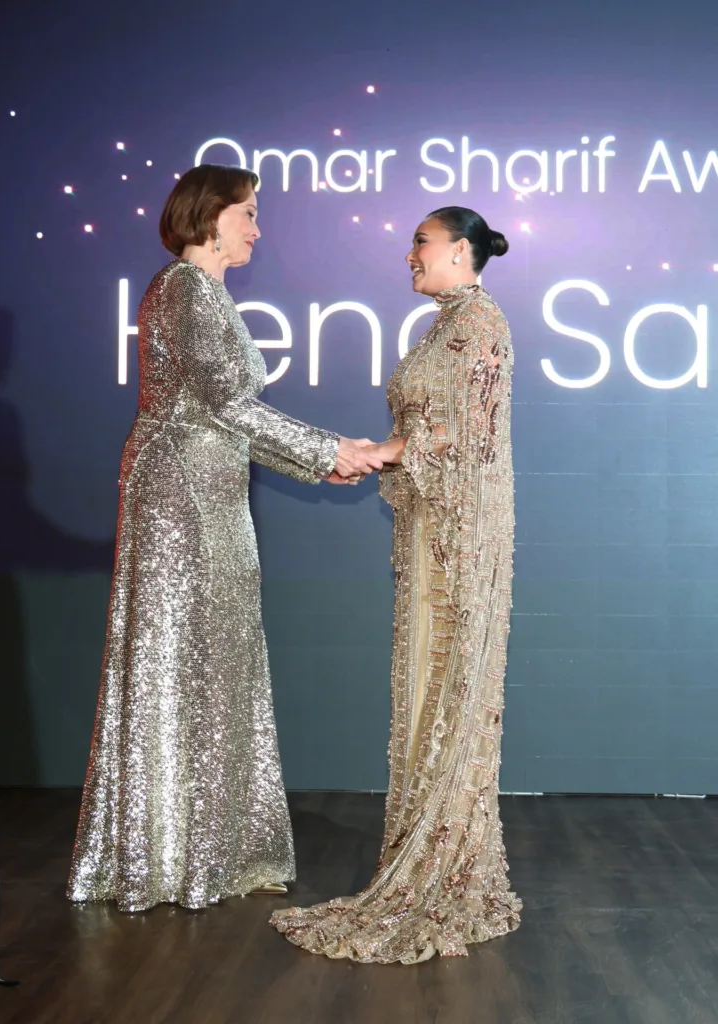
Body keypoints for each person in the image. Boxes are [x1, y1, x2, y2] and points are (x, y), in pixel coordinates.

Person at [67, 164, 382, 913]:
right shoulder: (185, 289)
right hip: (181, 500)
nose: (257, 229)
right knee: (185, 662)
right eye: (249, 213)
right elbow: (226, 403)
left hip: (210, 493)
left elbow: (225, 412)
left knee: (215, 660)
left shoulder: (203, 294)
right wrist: (331, 450)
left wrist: (318, 462)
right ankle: (172, 856)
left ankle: (212, 848)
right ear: (210, 216)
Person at [271, 207, 521, 963]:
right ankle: (423, 844)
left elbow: (464, 437)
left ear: (461, 250)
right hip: (430, 528)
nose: (409, 253)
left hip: (459, 535)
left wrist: (381, 452)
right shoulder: (445, 327)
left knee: (448, 686)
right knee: (425, 687)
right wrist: (380, 454)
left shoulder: (480, 325)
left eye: (421, 241)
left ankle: (445, 861)